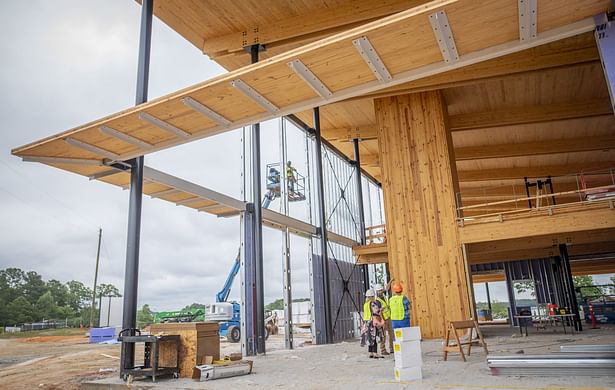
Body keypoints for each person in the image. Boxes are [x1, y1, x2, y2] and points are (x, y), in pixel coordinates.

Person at [361, 289, 385, 359]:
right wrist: (381, 309)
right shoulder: (372, 304)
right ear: (371, 296)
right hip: (372, 323)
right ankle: (375, 353)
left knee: (369, 338)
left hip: (366, 322)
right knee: (374, 338)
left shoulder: (365, 304)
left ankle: (370, 352)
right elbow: (376, 312)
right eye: (373, 296)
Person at [374, 283, 394, 355]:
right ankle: (383, 350)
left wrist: (391, 281)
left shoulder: (383, 295)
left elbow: (387, 288)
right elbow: (377, 311)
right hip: (383, 319)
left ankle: (392, 348)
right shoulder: (377, 301)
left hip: (388, 317)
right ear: (376, 292)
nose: (380, 291)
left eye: (381, 290)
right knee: (383, 335)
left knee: (391, 333)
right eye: (378, 291)